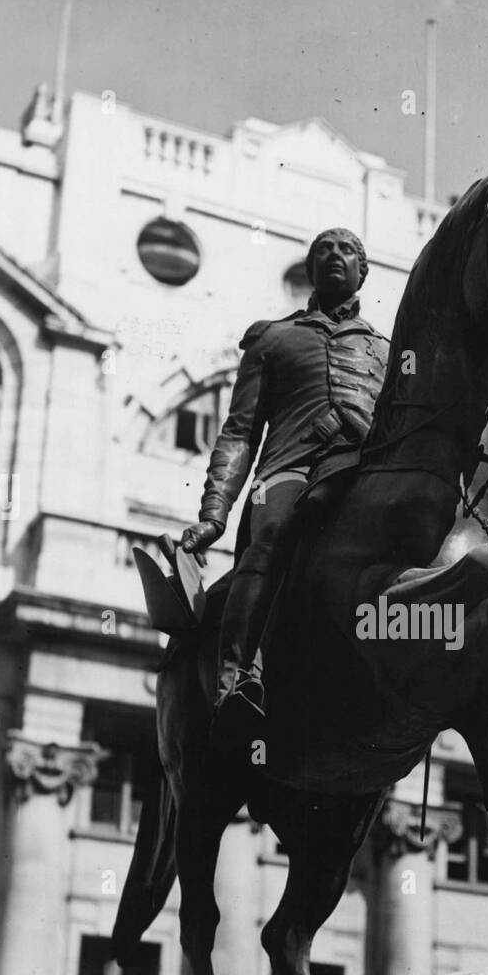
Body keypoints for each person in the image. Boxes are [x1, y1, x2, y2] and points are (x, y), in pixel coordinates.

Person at [180, 228, 389, 744]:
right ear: (310, 269)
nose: (334, 257)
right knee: (271, 536)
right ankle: (237, 679)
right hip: (289, 471)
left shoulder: (388, 351)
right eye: (323, 251)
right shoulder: (272, 338)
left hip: (363, 473)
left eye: (347, 251)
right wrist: (215, 514)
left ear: (364, 272)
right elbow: (239, 432)